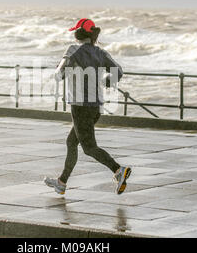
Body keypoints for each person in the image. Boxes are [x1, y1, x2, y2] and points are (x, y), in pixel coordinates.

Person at [44, 18, 131, 195]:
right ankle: (61, 182)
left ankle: (118, 170)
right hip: (96, 106)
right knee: (71, 142)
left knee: (89, 148)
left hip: (80, 106)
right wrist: (108, 80)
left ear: (78, 33)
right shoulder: (100, 52)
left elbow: (58, 75)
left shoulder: (73, 50)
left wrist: (62, 68)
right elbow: (118, 71)